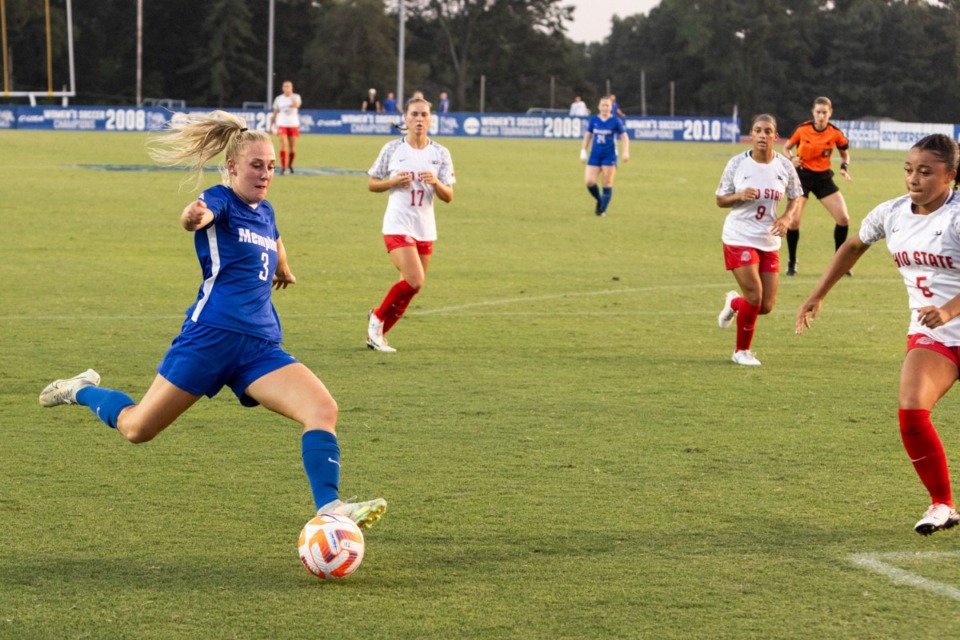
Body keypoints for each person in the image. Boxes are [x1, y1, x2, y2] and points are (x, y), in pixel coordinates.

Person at [38, 110, 387, 531]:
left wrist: (284, 268)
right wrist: (192, 217)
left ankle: (330, 509)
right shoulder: (220, 199)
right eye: (256, 166)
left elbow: (274, 238)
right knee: (138, 429)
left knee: (322, 409)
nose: (265, 174)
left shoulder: (266, 210)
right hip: (208, 338)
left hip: (258, 348)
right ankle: (80, 390)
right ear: (232, 167)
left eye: (271, 167)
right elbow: (197, 216)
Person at [796, 133, 960, 535]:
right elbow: (853, 246)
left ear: (950, 176)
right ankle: (942, 505)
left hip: (947, 317)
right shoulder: (892, 213)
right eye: (908, 170)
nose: (913, 179)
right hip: (935, 337)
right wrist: (817, 295)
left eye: (925, 171)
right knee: (911, 410)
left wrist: (948, 308)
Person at [365, 97, 456, 352]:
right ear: (405, 118)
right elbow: (372, 183)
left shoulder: (440, 153)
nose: (419, 119)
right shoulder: (393, 149)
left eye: (424, 115)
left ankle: (378, 334)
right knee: (415, 280)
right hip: (397, 225)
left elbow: (449, 196)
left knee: (410, 288)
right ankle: (377, 317)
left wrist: (436, 183)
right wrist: (392, 182)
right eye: (414, 114)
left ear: (430, 119)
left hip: (425, 228)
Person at [715, 113, 802, 366]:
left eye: (768, 131)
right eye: (758, 131)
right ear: (751, 135)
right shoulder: (737, 163)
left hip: (768, 239)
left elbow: (796, 196)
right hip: (739, 236)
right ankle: (741, 351)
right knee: (754, 296)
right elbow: (721, 199)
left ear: (775, 136)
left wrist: (786, 218)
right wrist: (739, 195)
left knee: (765, 305)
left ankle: (733, 302)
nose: (763, 135)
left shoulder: (785, 166)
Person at [782, 96, 853, 276]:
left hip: (823, 179)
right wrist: (791, 159)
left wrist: (844, 168)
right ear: (813, 113)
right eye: (818, 112)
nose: (821, 116)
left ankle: (840, 262)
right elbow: (786, 147)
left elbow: (845, 154)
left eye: (825, 113)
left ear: (830, 113)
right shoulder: (803, 129)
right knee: (794, 221)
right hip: (802, 178)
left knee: (843, 219)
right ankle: (792, 262)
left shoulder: (835, 133)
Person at [579, 95, 630, 216]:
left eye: (607, 105)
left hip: (610, 156)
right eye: (603, 105)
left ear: (611, 107)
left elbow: (624, 137)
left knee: (606, 183)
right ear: (599, 106)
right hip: (595, 155)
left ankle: (602, 210)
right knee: (589, 181)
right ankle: (600, 200)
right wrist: (583, 150)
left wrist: (625, 151)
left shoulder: (615, 121)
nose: (605, 107)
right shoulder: (594, 120)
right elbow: (588, 135)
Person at [269, 80, 301, 175]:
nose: (287, 88)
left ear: (292, 88)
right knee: (283, 145)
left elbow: (297, 105)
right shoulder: (279, 99)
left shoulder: (296, 97)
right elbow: (275, 113)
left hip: (293, 124)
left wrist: (291, 97)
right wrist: (271, 126)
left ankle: (290, 165)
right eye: (285, 86)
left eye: (289, 86)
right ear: (282, 88)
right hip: (282, 123)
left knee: (292, 148)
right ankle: (283, 167)